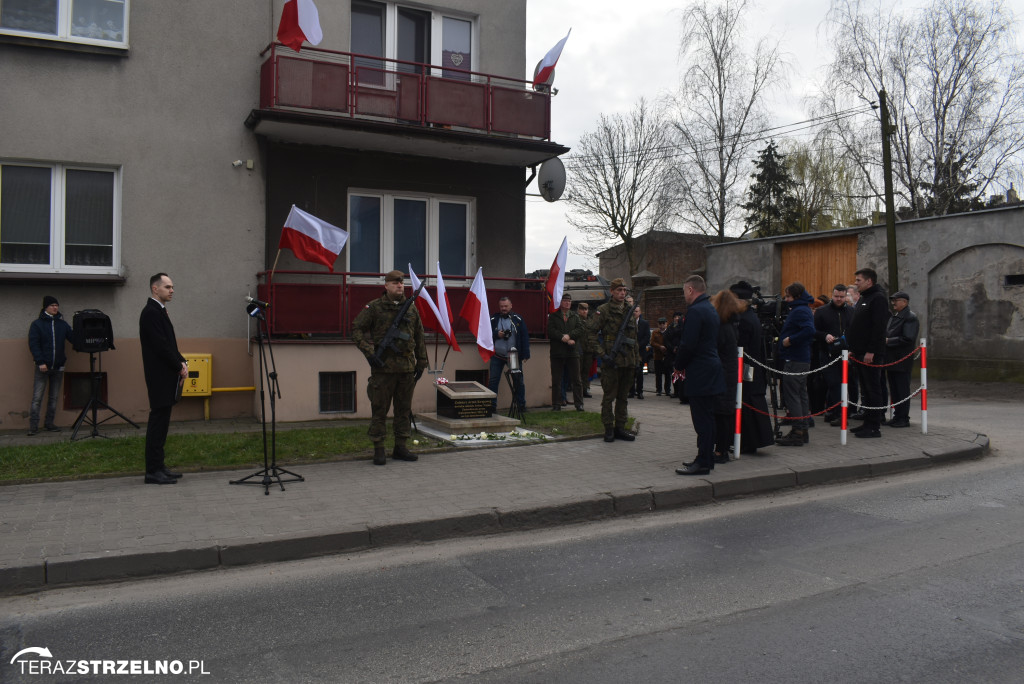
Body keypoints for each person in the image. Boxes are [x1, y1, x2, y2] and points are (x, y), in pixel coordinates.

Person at [352, 270, 428, 465]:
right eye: (394, 283)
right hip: (383, 369)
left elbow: (419, 336)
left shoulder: (410, 308)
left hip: (406, 369)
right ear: (386, 286)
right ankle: (379, 448)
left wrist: (421, 362)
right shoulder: (375, 307)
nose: (399, 286)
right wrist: (369, 353)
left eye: (401, 282)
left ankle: (401, 447)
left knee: (403, 410)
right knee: (379, 410)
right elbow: (356, 329)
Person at [139, 273, 188, 484]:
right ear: (155, 289)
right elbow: (160, 345)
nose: (172, 290)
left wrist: (181, 360)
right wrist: (178, 365)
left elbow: (170, 344)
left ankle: (160, 467)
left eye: (172, 287)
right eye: (167, 287)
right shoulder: (150, 312)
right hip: (159, 376)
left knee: (162, 422)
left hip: (166, 375)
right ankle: (152, 471)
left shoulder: (159, 311)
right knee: (157, 423)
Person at [674, 275, 725, 475]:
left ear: (690, 290)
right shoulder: (711, 309)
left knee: (702, 420)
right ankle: (706, 458)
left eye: (684, 291)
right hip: (711, 369)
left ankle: (703, 461)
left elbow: (688, 344)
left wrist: (678, 365)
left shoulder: (695, 311)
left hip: (701, 372)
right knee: (708, 418)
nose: (684, 295)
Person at [729, 281, 775, 454]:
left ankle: (748, 441)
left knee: (747, 403)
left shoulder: (744, 320)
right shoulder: (749, 316)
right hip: (752, 366)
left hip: (747, 367)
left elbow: (741, 345)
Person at [592, 278, 638, 442]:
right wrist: (603, 355)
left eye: (624, 290)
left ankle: (620, 427)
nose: (622, 293)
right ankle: (609, 428)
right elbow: (591, 335)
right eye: (619, 290)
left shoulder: (629, 310)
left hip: (628, 361)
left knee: (623, 397)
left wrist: (636, 360)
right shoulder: (603, 310)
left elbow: (634, 337)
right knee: (609, 397)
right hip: (611, 361)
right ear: (612, 291)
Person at [847, 267, 889, 438]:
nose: (856, 284)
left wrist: (871, 350)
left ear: (869, 281)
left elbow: (878, 327)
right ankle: (867, 421)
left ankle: (874, 426)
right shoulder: (865, 297)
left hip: (870, 354)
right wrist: (853, 349)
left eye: (859, 280)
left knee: (873, 388)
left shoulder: (878, 298)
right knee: (865, 388)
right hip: (859, 352)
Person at [775, 282, 816, 447]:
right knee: (800, 394)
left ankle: (798, 430)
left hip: (795, 358)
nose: (786, 299)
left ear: (796, 297)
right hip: (800, 358)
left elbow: (809, 330)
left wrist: (789, 340)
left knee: (793, 395)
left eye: (788, 296)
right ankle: (803, 429)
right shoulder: (802, 309)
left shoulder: (800, 311)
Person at [27, 295, 73, 436]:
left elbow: (73, 338)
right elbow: (34, 344)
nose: (55, 308)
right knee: (37, 397)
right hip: (43, 367)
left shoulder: (62, 324)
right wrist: (40, 361)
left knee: (53, 397)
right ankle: (33, 426)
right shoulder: (37, 324)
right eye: (52, 305)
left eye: (56, 305)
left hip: (58, 367)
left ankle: (49, 423)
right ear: (46, 307)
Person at [814, 283, 855, 426]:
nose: (838, 299)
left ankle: (832, 411)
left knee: (841, 384)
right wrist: (825, 336)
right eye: (836, 296)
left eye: (842, 297)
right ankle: (838, 413)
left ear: (845, 297)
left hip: (846, 353)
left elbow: (854, 331)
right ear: (832, 295)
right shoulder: (821, 312)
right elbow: (814, 331)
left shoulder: (851, 311)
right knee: (834, 383)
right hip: (827, 353)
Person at [710, 290, 743, 463]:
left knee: (721, 414)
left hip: (722, 373)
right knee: (725, 414)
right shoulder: (732, 325)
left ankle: (720, 451)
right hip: (730, 372)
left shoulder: (721, 327)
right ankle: (722, 448)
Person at [488, 296, 531, 414]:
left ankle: (521, 405)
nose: (504, 308)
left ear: (511, 306)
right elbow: (485, 334)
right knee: (493, 381)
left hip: (513, 355)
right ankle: (492, 406)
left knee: (518, 381)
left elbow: (524, 336)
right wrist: (497, 334)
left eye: (506, 306)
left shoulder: (518, 319)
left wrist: (526, 353)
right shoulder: (493, 319)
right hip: (497, 355)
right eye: (501, 306)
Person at [885, 291, 920, 428]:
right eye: (893, 300)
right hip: (894, 359)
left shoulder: (910, 318)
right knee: (895, 389)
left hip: (902, 359)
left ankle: (903, 417)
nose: (894, 303)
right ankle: (897, 415)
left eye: (896, 300)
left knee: (902, 388)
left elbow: (908, 338)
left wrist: (888, 341)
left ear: (905, 302)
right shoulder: (897, 317)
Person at [548, 293, 585, 411]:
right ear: (561, 302)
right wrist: (561, 337)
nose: (567, 303)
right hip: (557, 352)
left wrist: (570, 336)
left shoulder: (575, 316)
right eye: (565, 301)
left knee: (576, 380)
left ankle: (579, 404)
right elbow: (550, 330)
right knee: (556, 380)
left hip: (572, 352)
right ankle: (556, 404)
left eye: (569, 301)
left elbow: (580, 329)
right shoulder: (554, 316)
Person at [664, 311, 686, 401]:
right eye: (675, 317)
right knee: (672, 373)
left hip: (679, 353)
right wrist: (671, 347)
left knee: (680, 373)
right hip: (671, 353)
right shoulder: (670, 327)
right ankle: (675, 391)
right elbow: (666, 339)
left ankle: (680, 391)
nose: (677, 318)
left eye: (678, 317)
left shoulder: (683, 327)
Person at [630, 305, 651, 400]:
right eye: (634, 311)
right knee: (631, 372)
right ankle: (631, 391)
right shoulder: (629, 323)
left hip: (640, 351)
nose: (635, 313)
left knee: (640, 373)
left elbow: (647, 337)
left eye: (637, 311)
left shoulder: (644, 323)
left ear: (640, 312)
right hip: (630, 351)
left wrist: (638, 345)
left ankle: (640, 391)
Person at [576, 302, 595, 398]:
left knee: (586, 372)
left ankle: (585, 390)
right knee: (578, 371)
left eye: (586, 309)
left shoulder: (590, 321)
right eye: (582, 309)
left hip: (589, 350)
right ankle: (578, 391)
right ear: (578, 310)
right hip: (580, 349)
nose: (584, 311)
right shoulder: (576, 320)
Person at [650, 317, 670, 396]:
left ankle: (667, 390)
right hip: (658, 356)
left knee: (668, 374)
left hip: (667, 356)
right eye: (660, 324)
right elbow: (652, 342)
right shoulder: (655, 332)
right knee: (658, 374)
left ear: (666, 324)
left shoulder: (669, 332)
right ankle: (659, 390)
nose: (662, 325)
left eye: (663, 324)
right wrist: (659, 346)